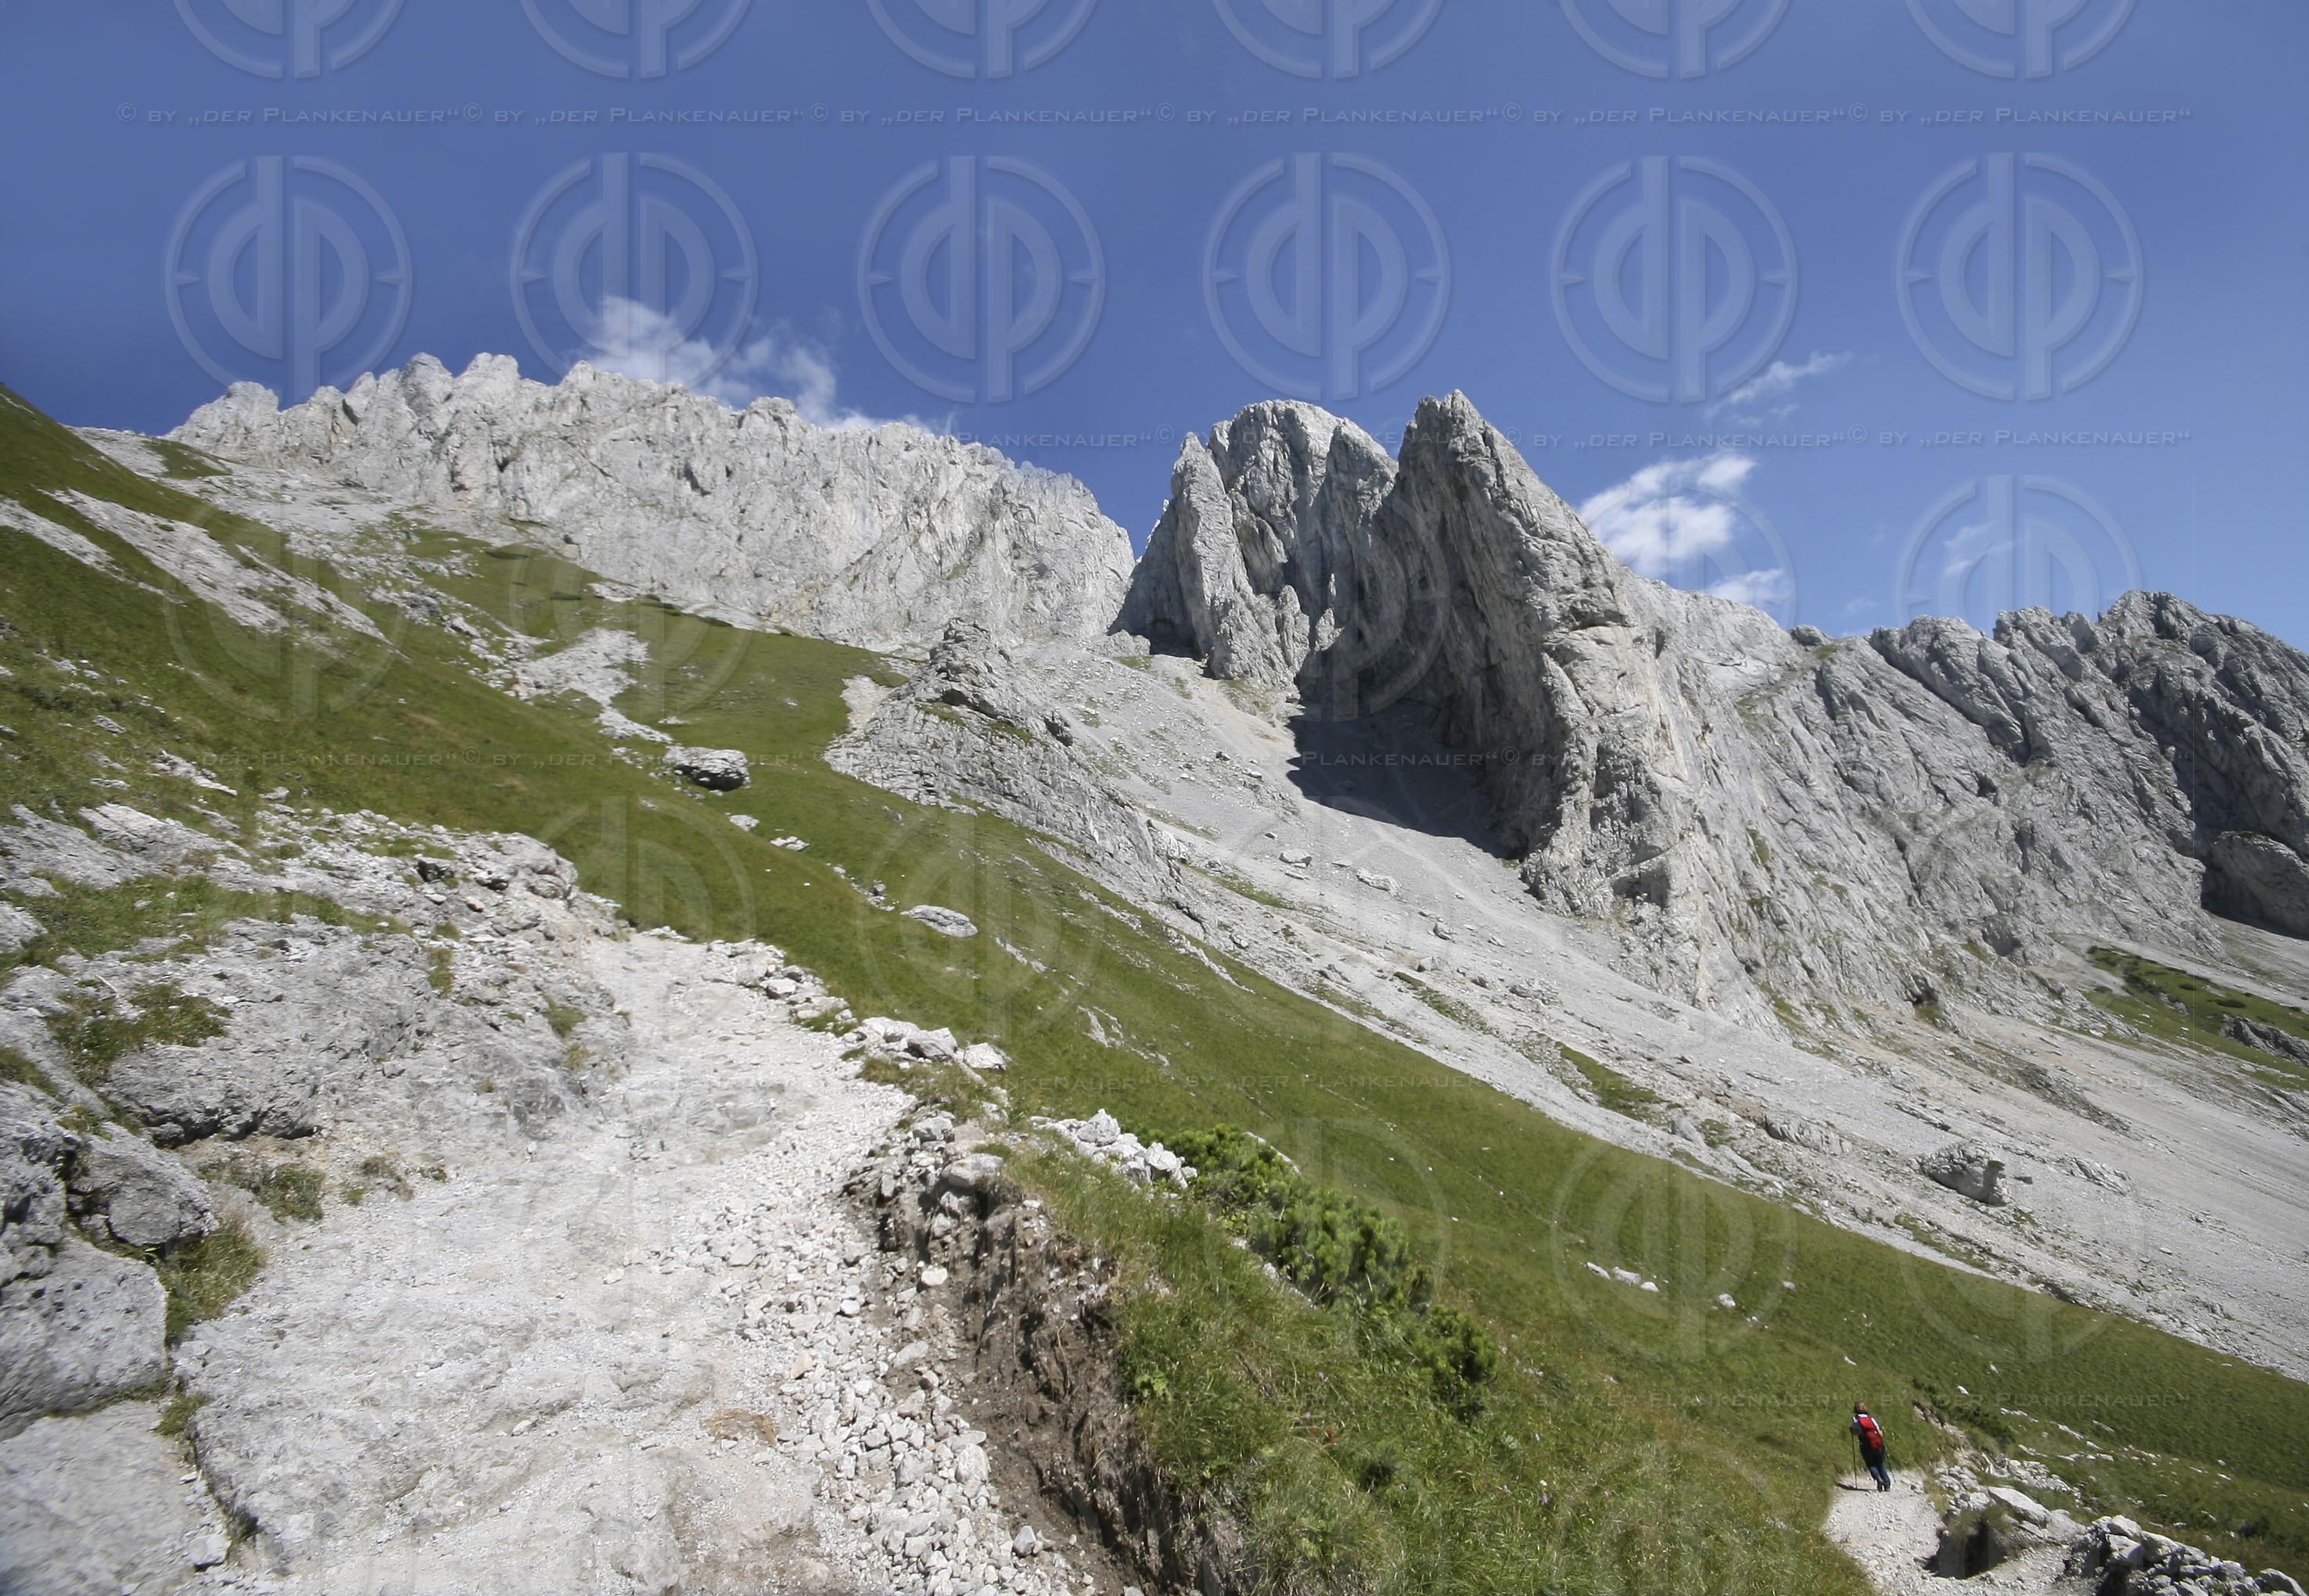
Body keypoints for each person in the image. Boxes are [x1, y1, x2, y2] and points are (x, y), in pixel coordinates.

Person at [1851, 1404, 1891, 1491]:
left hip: (1865, 1444)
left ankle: (1877, 1478)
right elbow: (1880, 1433)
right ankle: (1887, 1484)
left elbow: (1855, 1433)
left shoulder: (1856, 1420)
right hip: (1878, 1444)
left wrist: (1852, 1430)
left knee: (1870, 1464)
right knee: (1880, 1463)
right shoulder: (1872, 1419)